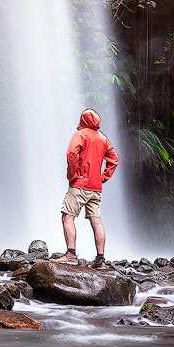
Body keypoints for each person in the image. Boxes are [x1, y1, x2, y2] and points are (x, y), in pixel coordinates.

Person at [60, 108, 119, 263]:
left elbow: (72, 154)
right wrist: (103, 177)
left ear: (83, 120)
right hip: (96, 187)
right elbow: (114, 160)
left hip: (79, 184)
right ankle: (100, 258)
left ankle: (71, 255)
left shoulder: (81, 134)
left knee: (67, 216)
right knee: (96, 221)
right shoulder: (103, 139)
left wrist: (73, 176)